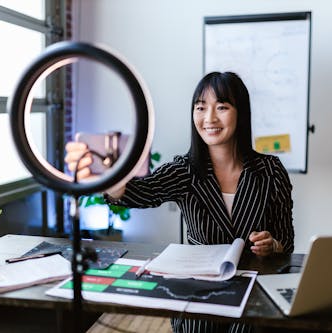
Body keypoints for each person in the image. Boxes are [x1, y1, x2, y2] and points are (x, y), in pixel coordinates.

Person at [65, 71, 295, 333]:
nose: (209, 118)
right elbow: (141, 193)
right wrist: (108, 177)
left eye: (222, 107)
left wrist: (273, 244)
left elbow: (287, 241)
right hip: (197, 293)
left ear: (240, 113)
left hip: (253, 293)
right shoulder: (185, 169)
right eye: (200, 107)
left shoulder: (270, 171)